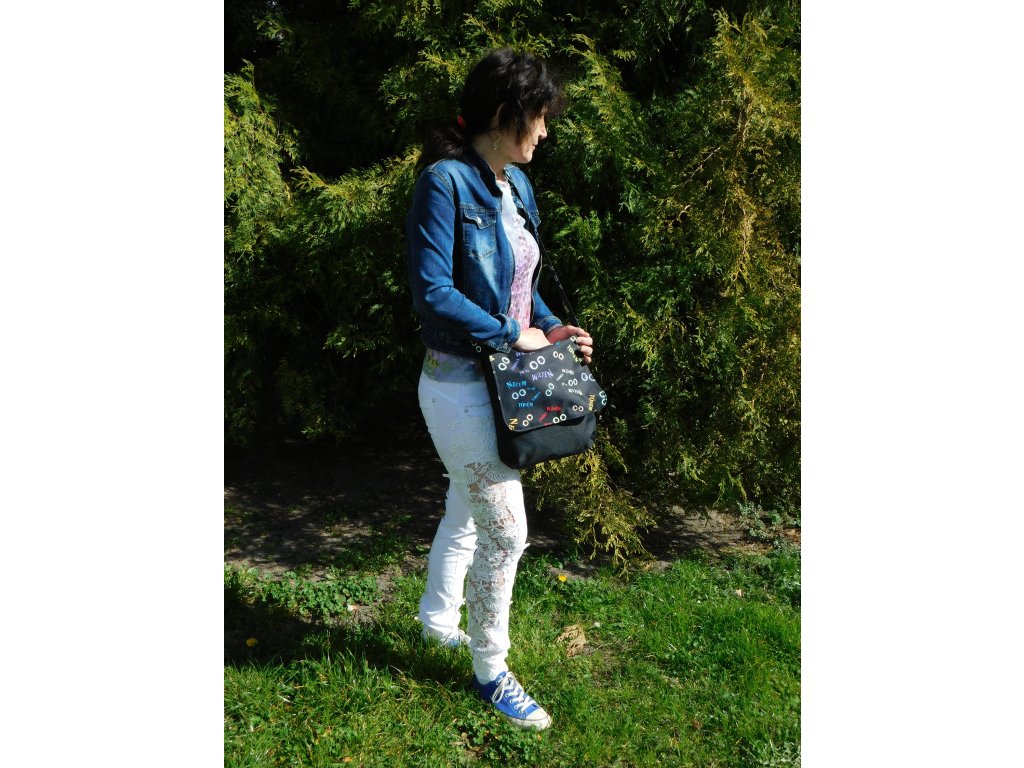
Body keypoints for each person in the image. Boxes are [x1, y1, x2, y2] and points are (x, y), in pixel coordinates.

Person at [405, 48, 594, 731]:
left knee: (466, 510)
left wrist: (551, 326)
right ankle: (491, 672)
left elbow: (522, 284)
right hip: (458, 384)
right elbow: (432, 292)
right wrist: (514, 335)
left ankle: (436, 620)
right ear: (501, 115)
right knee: (506, 533)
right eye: (537, 116)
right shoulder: (445, 183)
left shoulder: (516, 186)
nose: (543, 131)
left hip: (505, 381)